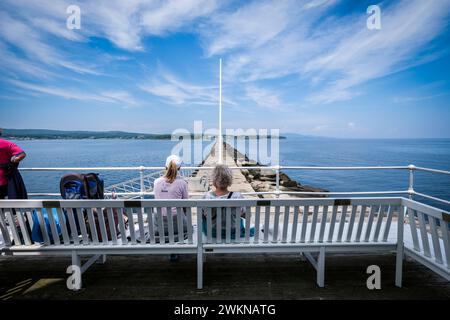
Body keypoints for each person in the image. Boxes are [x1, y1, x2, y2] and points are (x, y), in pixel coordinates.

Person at [202, 164, 254, 238]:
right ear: (229, 180)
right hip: (233, 231)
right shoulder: (238, 197)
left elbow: (203, 216)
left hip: (213, 233)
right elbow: (247, 215)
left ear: (214, 181)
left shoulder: (207, 197)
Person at [153, 155, 189, 261]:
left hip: (159, 228)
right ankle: (175, 250)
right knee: (182, 217)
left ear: (165, 167)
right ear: (179, 168)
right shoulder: (182, 183)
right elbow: (186, 205)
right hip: (179, 228)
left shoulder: (156, 182)